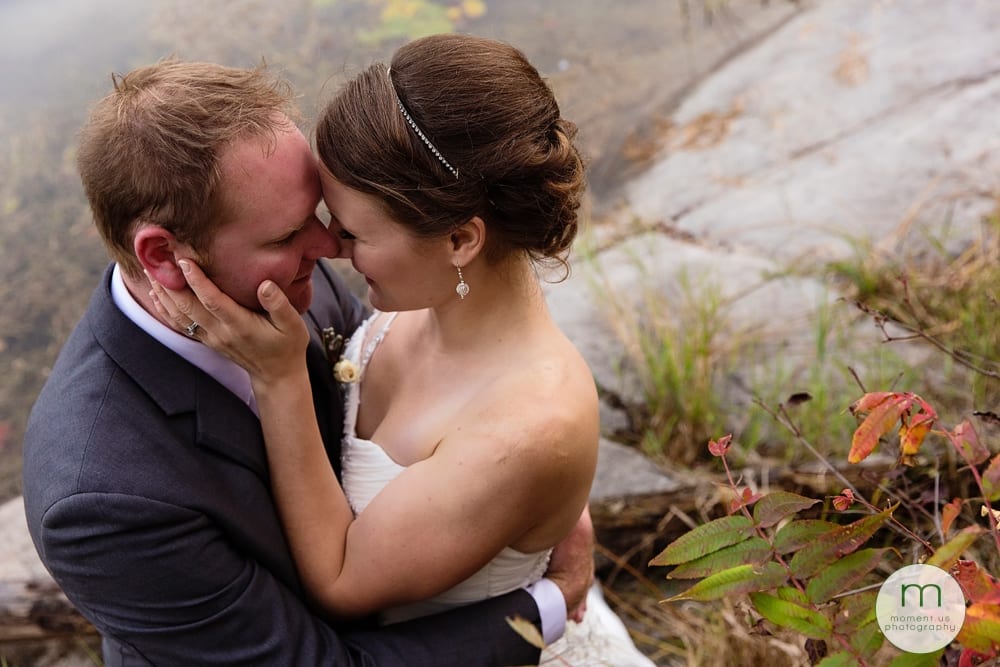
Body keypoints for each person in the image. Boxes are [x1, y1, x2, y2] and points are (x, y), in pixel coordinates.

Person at [21, 57, 595, 666]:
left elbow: (405, 395)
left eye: (328, 219)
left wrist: (527, 489)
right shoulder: (100, 498)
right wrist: (549, 604)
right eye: (288, 235)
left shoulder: (284, 271)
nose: (329, 248)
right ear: (164, 256)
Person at [150, 35, 656, 666]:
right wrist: (556, 511)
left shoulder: (528, 428)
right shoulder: (421, 304)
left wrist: (281, 378)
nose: (329, 247)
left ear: (459, 239)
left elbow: (340, 583)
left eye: (353, 231)